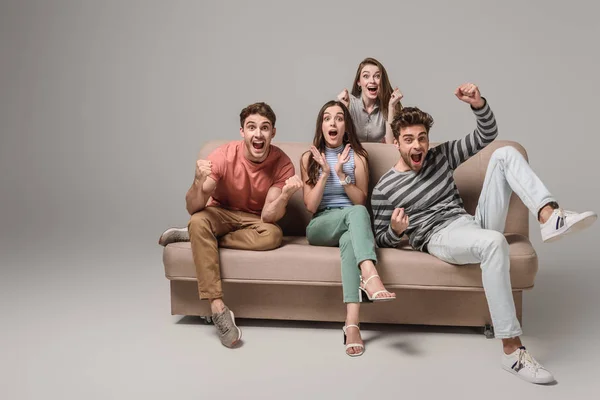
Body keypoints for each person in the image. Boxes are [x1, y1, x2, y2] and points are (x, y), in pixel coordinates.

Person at [371, 83, 597, 383]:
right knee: (494, 242)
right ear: (397, 143)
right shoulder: (385, 188)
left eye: (422, 139)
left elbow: (486, 136)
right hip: (439, 236)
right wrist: (395, 231)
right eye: (409, 139)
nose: (417, 146)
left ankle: (550, 215)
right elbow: (379, 237)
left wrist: (478, 105)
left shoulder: (441, 156)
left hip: (470, 224)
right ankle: (511, 351)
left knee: (504, 153)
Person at [184, 102, 302, 348]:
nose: (258, 134)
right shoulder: (223, 156)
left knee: (273, 235)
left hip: (255, 220)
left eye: (264, 128)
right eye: (252, 127)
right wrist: (197, 182)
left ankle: (200, 237)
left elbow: (269, 217)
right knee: (197, 221)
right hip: (220, 213)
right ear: (242, 132)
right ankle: (218, 309)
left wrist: (285, 196)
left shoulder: (282, 163)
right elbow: (194, 207)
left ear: (273, 133)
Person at [300, 100, 396, 357]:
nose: (333, 123)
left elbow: (360, 200)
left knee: (351, 236)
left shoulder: (358, 157)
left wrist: (342, 175)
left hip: (351, 224)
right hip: (321, 225)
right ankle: (370, 273)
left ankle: (352, 324)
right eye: (327, 118)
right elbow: (310, 205)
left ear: (346, 126)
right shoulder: (309, 157)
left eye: (339, 118)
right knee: (356, 215)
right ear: (321, 126)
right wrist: (324, 173)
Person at [337, 57, 403, 144]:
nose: (372, 81)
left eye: (377, 76)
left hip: (382, 156)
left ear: (382, 81)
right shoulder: (349, 103)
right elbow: (339, 140)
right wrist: (343, 109)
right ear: (359, 82)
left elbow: (390, 145)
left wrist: (391, 107)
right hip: (352, 155)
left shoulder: (390, 105)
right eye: (366, 76)